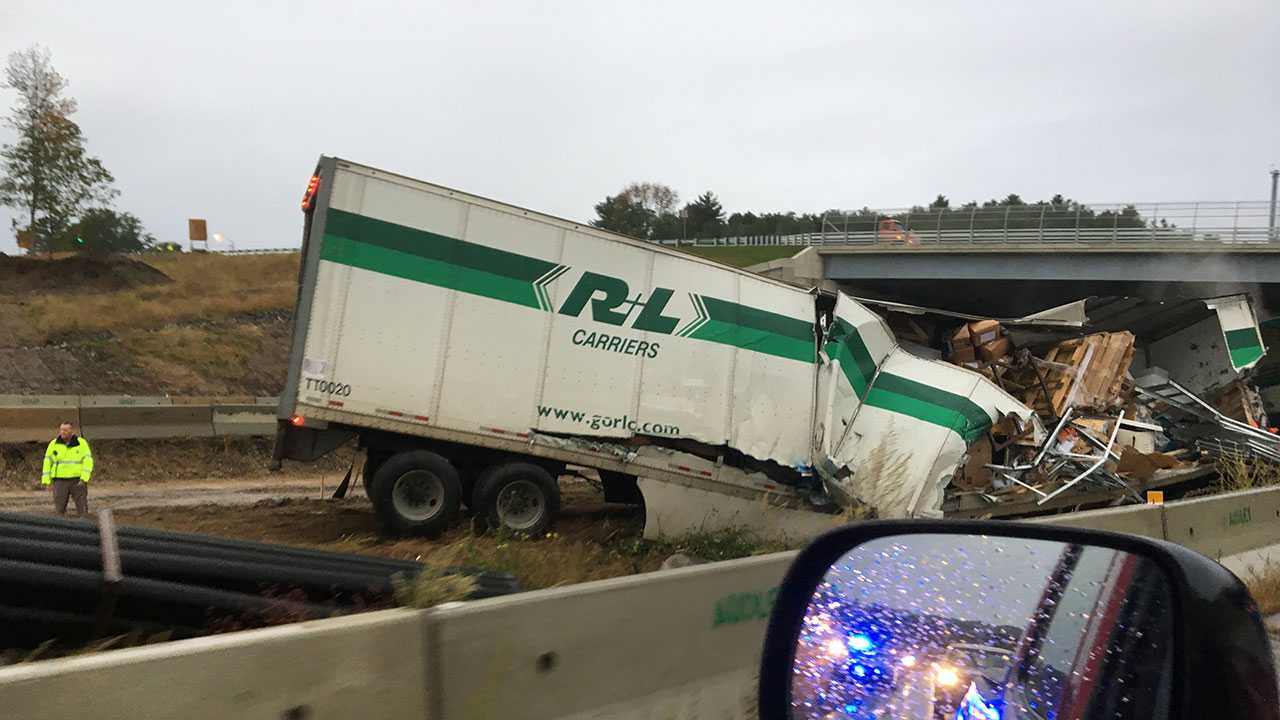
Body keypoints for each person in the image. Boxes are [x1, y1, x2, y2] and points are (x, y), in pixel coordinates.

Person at [42, 421, 93, 516]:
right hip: (59, 481)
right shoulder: (54, 444)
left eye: (65, 430)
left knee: (82, 509)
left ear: (71, 431)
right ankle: (59, 529)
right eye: (61, 430)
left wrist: (84, 478)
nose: (62, 432)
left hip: (77, 481)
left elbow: (88, 461)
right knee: (59, 510)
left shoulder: (81, 444)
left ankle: (84, 527)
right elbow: (47, 462)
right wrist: (47, 481)